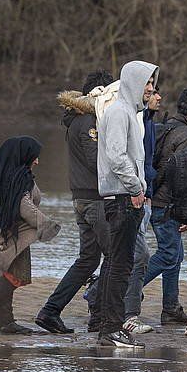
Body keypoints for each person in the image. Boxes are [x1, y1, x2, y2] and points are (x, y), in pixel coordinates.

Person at [34, 70, 114, 335]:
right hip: (96, 199)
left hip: (82, 198)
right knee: (116, 257)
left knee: (88, 260)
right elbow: (95, 162)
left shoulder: (78, 120)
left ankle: (51, 311)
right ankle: (100, 315)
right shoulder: (90, 122)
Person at [0, 136, 61, 335]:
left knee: (3, 275)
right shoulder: (21, 178)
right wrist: (46, 225)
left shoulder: (1, 175)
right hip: (10, 232)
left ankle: (6, 322)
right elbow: (24, 206)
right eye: (34, 157)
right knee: (17, 275)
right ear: (25, 156)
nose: (37, 161)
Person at [96, 60, 159, 348]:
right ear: (133, 82)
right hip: (122, 199)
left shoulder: (126, 113)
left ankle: (108, 326)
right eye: (147, 83)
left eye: (152, 84)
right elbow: (117, 156)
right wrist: (136, 187)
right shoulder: (120, 112)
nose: (151, 89)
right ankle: (111, 328)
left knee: (115, 264)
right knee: (120, 267)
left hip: (122, 197)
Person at [146, 87, 187, 325]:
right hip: (168, 204)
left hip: (161, 200)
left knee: (175, 255)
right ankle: (113, 294)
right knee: (168, 254)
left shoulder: (168, 126)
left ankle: (170, 308)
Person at [121, 85, 162, 335]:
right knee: (140, 256)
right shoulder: (133, 120)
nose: (157, 97)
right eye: (152, 92)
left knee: (132, 256)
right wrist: (138, 188)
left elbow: (148, 160)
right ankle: (127, 314)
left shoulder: (148, 122)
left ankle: (101, 300)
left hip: (144, 196)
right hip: (133, 196)